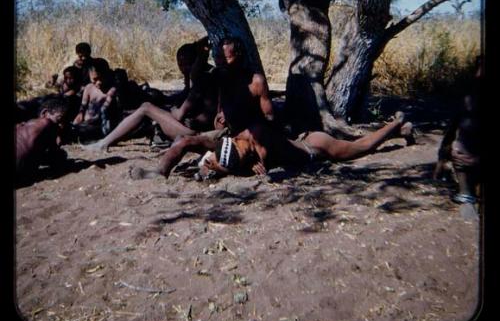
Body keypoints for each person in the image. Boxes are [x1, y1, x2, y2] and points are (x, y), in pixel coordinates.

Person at [128, 111, 415, 181]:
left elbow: (262, 171)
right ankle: (399, 129)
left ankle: (395, 126)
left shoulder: (261, 147)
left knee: (361, 147)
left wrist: (227, 171)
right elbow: (237, 158)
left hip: (316, 149)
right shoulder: (241, 137)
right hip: (303, 139)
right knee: (360, 146)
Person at [84, 37, 219, 152]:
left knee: (146, 108)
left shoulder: (202, 78)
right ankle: (109, 139)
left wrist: (169, 108)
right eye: (180, 64)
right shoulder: (205, 75)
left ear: (197, 60)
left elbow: (180, 114)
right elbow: (185, 97)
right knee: (149, 109)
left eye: (188, 64)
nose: (184, 68)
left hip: (194, 133)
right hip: (192, 127)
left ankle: (103, 143)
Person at [434, 56, 482, 207]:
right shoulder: (470, 96)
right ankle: (466, 192)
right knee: (459, 147)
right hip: (471, 153)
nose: (479, 74)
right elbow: (452, 129)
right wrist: (442, 159)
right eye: (478, 68)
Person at [212, 35, 274, 135]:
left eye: (227, 58)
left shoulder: (257, 82)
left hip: (252, 135)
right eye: (219, 57)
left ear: (239, 55)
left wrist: (232, 114)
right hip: (228, 133)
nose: (221, 62)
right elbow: (219, 115)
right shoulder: (221, 78)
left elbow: (269, 117)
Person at [16, 96, 70, 183]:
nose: (61, 125)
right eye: (59, 119)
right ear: (44, 113)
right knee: (61, 155)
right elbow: (54, 156)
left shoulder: (23, 125)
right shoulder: (47, 123)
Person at [70, 58, 120, 143]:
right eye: (95, 79)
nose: (98, 82)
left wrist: (90, 121)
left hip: (101, 125)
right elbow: (82, 108)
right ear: (89, 76)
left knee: (85, 131)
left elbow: (104, 110)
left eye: (101, 78)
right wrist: (78, 119)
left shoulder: (111, 90)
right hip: (86, 123)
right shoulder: (89, 88)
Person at [17, 65, 83, 123]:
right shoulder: (64, 84)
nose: (67, 80)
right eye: (65, 77)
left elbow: (67, 99)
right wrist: (53, 81)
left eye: (70, 78)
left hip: (58, 105)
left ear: (76, 78)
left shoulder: (77, 90)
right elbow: (49, 86)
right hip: (51, 99)